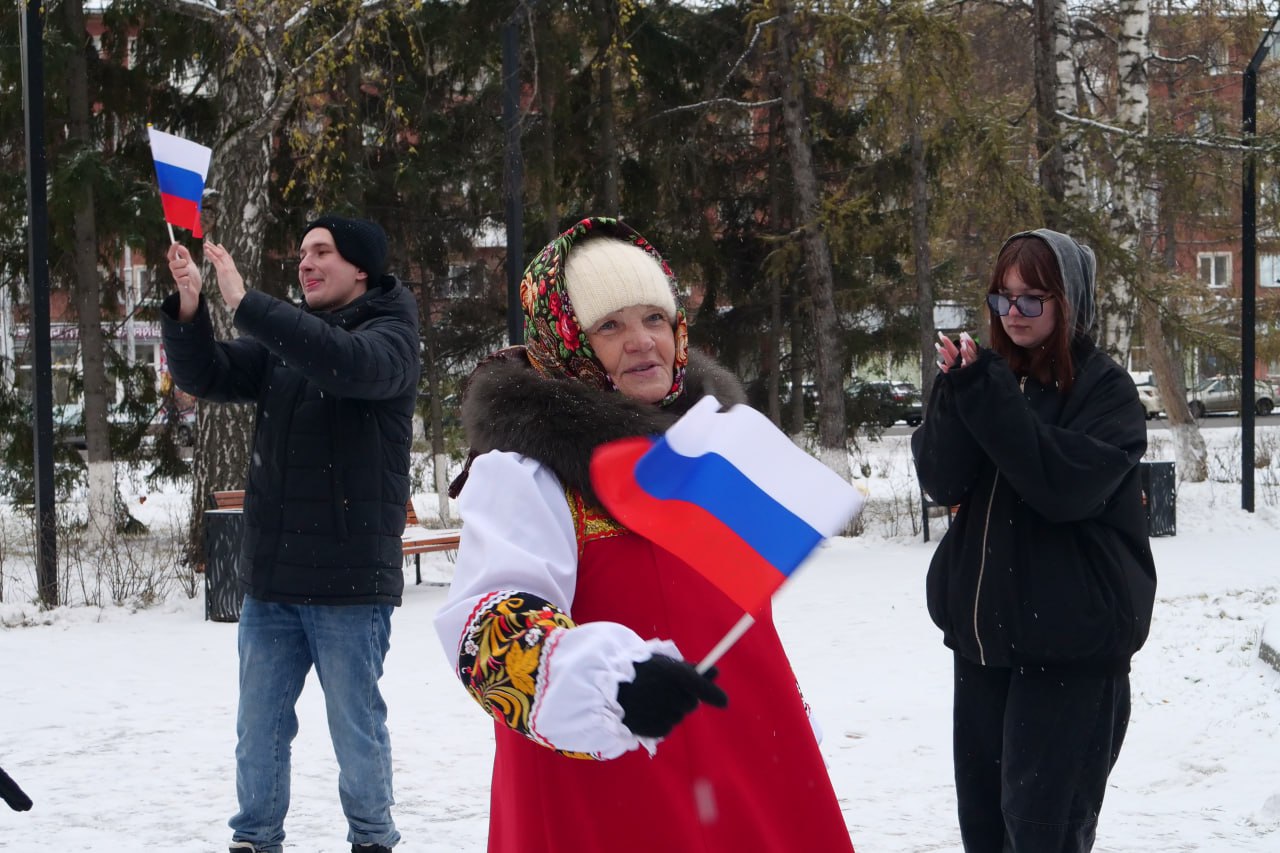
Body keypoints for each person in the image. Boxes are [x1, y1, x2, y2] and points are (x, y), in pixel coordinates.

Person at [433, 216, 855, 853]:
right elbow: (488, 627)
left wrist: (782, 719)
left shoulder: (702, 450)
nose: (642, 342)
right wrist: (610, 685)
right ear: (565, 340)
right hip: (612, 792)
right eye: (610, 325)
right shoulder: (527, 470)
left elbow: (739, 618)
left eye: (655, 318)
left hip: (741, 770)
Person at [161, 215, 421, 853]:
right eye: (302, 251)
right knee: (259, 731)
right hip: (272, 580)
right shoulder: (290, 345)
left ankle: (372, 840)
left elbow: (348, 365)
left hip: (351, 584)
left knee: (355, 730)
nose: (306, 262)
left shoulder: (390, 335)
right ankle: (254, 839)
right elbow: (211, 374)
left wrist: (249, 304)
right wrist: (192, 308)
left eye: (322, 252)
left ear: (361, 268)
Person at [911, 229, 1157, 853]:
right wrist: (953, 398)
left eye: (1031, 300)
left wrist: (989, 400)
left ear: (1068, 302)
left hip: (1069, 652)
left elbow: (1060, 487)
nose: (1012, 315)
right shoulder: (989, 380)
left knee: (1043, 832)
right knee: (987, 829)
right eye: (1002, 300)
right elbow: (941, 480)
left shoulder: (1106, 392)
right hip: (984, 643)